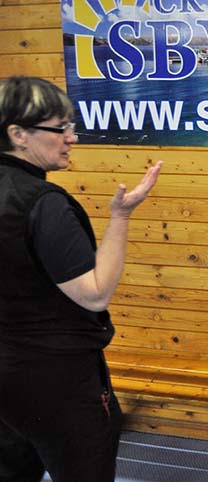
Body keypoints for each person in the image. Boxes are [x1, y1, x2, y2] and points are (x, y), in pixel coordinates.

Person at [0, 76, 162, 482]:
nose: (72, 138)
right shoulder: (43, 204)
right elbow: (94, 294)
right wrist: (121, 216)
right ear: (18, 135)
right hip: (56, 379)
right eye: (61, 128)